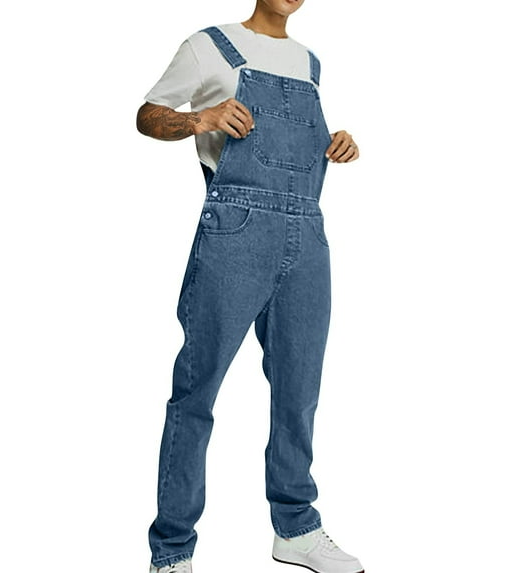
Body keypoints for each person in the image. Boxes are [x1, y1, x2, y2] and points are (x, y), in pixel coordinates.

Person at [136, 2, 363, 573]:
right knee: (198, 390)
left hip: (307, 234)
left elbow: (299, 149)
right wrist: (200, 119)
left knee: (298, 390)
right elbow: (148, 115)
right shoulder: (209, 45)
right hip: (235, 231)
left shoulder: (309, 63)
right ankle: (172, 550)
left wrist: (335, 142)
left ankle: (296, 528)